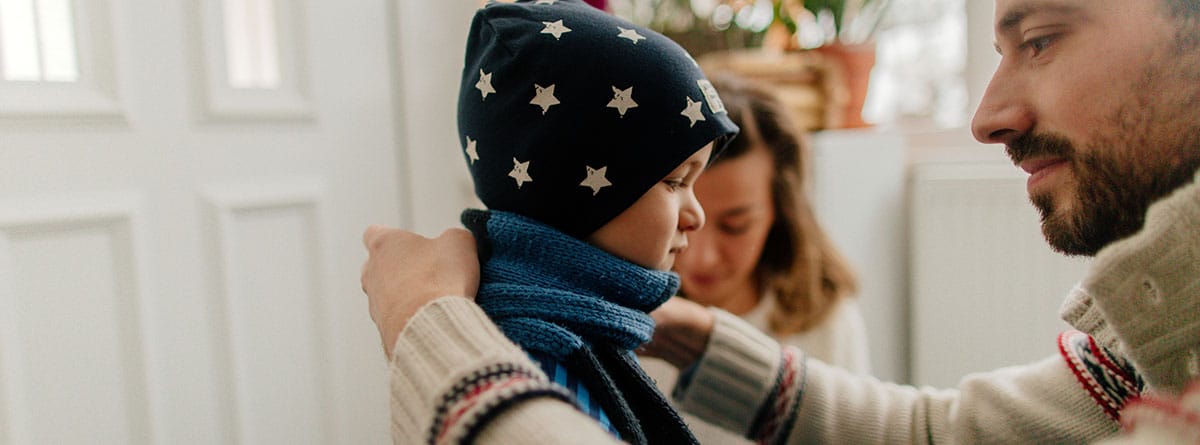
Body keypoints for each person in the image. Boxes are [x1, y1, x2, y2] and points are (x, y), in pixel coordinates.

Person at [362, 0, 1200, 443]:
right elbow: (941, 435)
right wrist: (694, 338)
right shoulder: (1149, 348)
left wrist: (427, 329)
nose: (987, 115)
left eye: (1044, 38)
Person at [379, 0, 739, 443]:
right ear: (573, 191)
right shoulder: (546, 360)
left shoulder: (579, 330)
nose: (696, 215)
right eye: (674, 181)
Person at [638, 73, 870, 444]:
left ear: (781, 209)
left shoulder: (824, 317)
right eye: (681, 221)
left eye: (735, 226)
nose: (703, 258)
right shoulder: (624, 316)